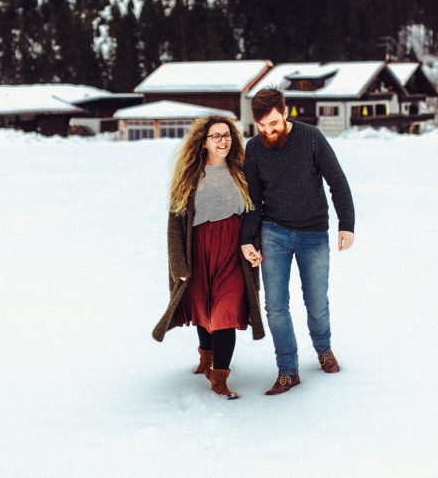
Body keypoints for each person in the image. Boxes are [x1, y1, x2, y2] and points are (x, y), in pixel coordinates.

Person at [239, 88, 355, 396]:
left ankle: (323, 349)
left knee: (316, 301)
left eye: (273, 123)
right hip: (274, 232)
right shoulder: (254, 148)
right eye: (262, 126)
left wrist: (347, 224)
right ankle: (288, 370)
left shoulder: (311, 138)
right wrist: (248, 239)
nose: (268, 131)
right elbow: (253, 198)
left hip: (313, 233)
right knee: (275, 306)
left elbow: (337, 180)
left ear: (284, 111)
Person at [152, 115, 265, 399]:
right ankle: (206, 355)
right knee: (204, 308)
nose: (223, 140)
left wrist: (254, 246)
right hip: (198, 251)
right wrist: (178, 262)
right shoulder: (190, 176)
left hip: (233, 253)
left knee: (225, 313)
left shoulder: (242, 171)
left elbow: (254, 215)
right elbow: (175, 223)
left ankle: (220, 376)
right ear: (203, 142)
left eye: (227, 135)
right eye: (216, 136)